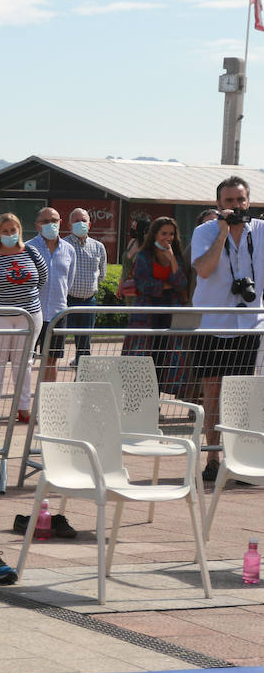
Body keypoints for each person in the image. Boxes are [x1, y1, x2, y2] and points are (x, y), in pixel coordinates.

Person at [191, 175, 264, 482]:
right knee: (212, 392)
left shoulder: (260, 231)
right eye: (230, 201)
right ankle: (212, 457)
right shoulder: (204, 231)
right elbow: (204, 270)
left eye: (241, 201)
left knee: (243, 394)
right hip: (212, 323)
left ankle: (240, 457)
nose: (236, 206)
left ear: (249, 202)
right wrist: (222, 234)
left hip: (249, 325)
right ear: (219, 204)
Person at [0, 213, 46, 425]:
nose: (10, 234)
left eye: (13, 230)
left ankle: (23, 408)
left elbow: (42, 278)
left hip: (29, 316)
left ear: (19, 230)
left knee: (24, 363)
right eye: (6, 231)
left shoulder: (32, 252)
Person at [126, 216, 190, 395]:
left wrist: (172, 259)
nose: (168, 237)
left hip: (169, 313)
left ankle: (158, 400)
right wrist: (168, 286)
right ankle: (142, 399)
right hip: (146, 315)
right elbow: (143, 284)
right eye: (164, 233)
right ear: (155, 234)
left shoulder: (175, 255)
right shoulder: (144, 255)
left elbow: (181, 282)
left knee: (165, 359)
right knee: (144, 358)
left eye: (171, 234)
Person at [28, 206, 77, 383]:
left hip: (58, 313)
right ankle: (24, 404)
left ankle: (46, 402)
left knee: (52, 360)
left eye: (54, 221)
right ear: (37, 225)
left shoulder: (69, 250)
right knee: (26, 360)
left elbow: (68, 281)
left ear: (60, 222)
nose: (51, 225)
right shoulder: (28, 248)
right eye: (45, 221)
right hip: (32, 313)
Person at [65, 208, 108, 366]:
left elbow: (102, 274)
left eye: (83, 220)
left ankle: (82, 370)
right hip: (66, 301)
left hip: (89, 301)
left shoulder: (98, 247)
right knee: (57, 339)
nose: (80, 224)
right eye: (76, 221)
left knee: (85, 341)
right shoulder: (63, 245)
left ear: (89, 224)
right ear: (69, 225)